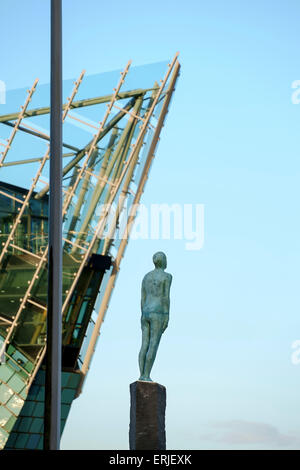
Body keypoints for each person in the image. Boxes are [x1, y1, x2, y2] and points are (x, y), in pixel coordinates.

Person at [138, 251, 172, 382]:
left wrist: (143, 313)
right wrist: (167, 315)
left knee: (144, 344)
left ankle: (142, 374)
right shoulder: (167, 277)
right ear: (163, 261)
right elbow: (165, 297)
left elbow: (142, 298)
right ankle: (146, 375)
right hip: (157, 312)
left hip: (145, 312)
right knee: (153, 344)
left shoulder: (146, 277)